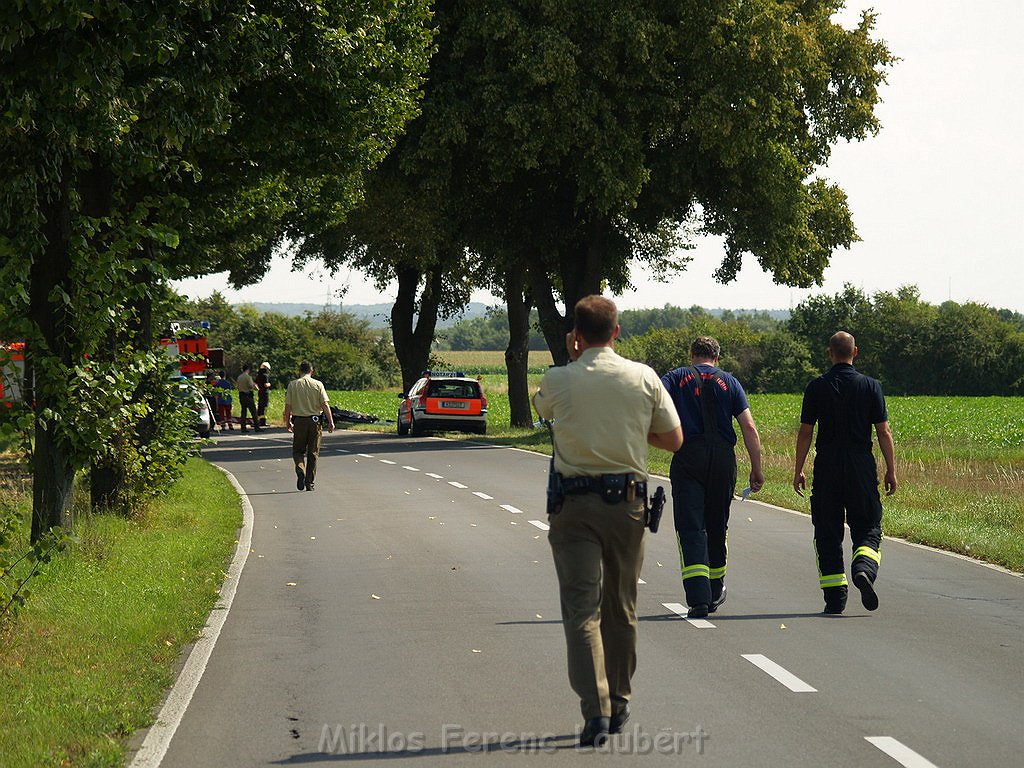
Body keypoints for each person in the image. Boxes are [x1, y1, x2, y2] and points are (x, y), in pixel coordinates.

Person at [533, 295, 682, 747]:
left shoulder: (559, 378)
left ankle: (594, 711)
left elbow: (544, 411)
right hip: (628, 506)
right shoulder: (644, 378)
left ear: (576, 334)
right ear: (617, 331)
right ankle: (619, 699)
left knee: (582, 611)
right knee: (622, 607)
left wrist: (572, 357)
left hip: (574, 509)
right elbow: (674, 439)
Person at [793, 331, 897, 614]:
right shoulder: (871, 386)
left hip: (827, 465)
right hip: (860, 465)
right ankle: (863, 568)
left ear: (830, 353)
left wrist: (799, 469)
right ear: (855, 352)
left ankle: (835, 598)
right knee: (868, 525)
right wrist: (891, 470)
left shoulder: (816, 387)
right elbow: (883, 432)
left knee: (827, 531)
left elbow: (805, 433)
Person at [660, 336, 765, 618]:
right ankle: (716, 588)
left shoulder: (676, 377)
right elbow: (749, 427)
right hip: (722, 460)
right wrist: (757, 467)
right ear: (716, 358)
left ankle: (698, 599)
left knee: (691, 526)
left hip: (688, 456)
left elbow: (652, 404)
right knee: (717, 524)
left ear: (692, 354)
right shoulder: (730, 383)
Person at [283, 360, 335, 491]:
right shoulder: (318, 384)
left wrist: (288, 421)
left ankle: (301, 469)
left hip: (299, 421)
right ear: (311, 371)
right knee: (313, 453)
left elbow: (288, 406)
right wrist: (331, 421)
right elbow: (325, 404)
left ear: (299, 371)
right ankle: (309, 483)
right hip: (314, 421)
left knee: (298, 450)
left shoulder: (293, 385)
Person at [235, 363, 259, 433]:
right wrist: (256, 387)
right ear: (248, 369)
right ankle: (256, 427)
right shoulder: (248, 377)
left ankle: (243, 427)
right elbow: (251, 385)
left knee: (243, 412)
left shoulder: (239, 377)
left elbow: (237, 386)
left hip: (241, 395)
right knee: (253, 411)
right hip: (248, 395)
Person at [255, 361, 272, 428]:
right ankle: (263, 421)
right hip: (265, 393)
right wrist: (269, 384)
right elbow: (266, 384)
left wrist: (258, 389)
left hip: (260, 393)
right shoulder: (265, 375)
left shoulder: (258, 375)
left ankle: (258, 421)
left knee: (260, 407)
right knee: (264, 407)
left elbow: (255, 383)